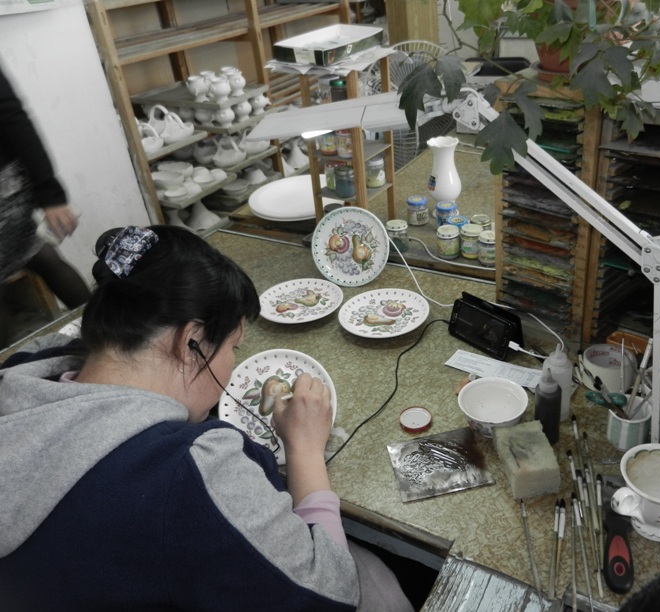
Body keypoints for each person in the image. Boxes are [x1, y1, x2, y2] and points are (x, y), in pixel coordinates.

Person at [0, 225, 413, 611]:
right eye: (233, 346)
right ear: (191, 340)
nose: (232, 364)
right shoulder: (188, 471)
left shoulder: (22, 370)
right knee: (372, 576)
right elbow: (330, 591)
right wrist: (304, 450)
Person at [0, 63, 90, 346]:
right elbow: (12, 114)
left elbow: (12, 116)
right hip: (8, 184)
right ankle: (107, 334)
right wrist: (49, 194)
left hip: (5, 186)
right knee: (42, 256)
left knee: (41, 257)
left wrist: (50, 194)